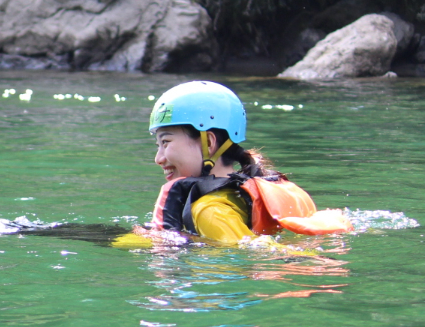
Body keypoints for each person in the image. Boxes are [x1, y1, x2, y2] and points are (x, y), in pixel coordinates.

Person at [141, 80, 351, 242]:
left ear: (209, 142)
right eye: (157, 145)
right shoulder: (255, 189)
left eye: (166, 142)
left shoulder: (209, 211)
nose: (158, 158)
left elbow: (250, 261)